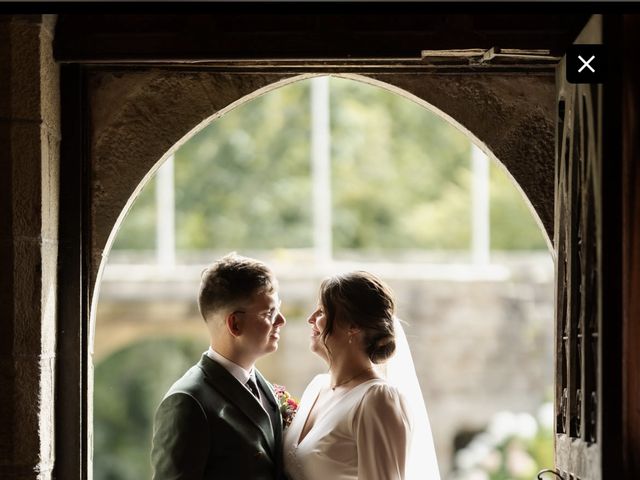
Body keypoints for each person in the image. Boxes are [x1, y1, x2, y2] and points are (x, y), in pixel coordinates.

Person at [283, 271, 440, 480]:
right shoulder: (316, 387)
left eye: (321, 311)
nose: (310, 319)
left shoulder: (378, 399)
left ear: (353, 326)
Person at [151, 253, 288, 480]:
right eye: (269, 313)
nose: (281, 320)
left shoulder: (266, 390)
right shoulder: (187, 402)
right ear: (235, 323)